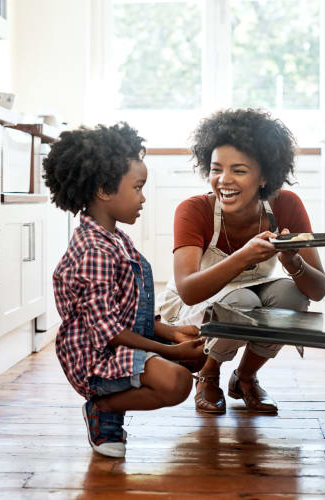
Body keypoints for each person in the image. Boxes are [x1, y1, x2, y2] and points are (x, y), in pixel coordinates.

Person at [43, 123, 205, 458]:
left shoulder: (115, 238)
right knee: (178, 383)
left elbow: (128, 311)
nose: (143, 197)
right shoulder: (94, 252)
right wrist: (170, 353)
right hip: (96, 358)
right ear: (104, 189)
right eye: (138, 187)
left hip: (119, 341)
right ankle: (103, 410)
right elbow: (110, 331)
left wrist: (171, 333)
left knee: (199, 355)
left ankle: (116, 400)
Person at [157, 109, 325, 415]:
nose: (224, 180)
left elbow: (317, 290)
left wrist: (292, 261)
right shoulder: (193, 210)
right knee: (240, 298)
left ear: (264, 176)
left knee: (291, 294)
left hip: (254, 289)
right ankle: (208, 375)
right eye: (216, 169)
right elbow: (188, 290)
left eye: (239, 170)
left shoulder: (286, 204)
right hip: (197, 300)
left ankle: (245, 378)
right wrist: (243, 256)